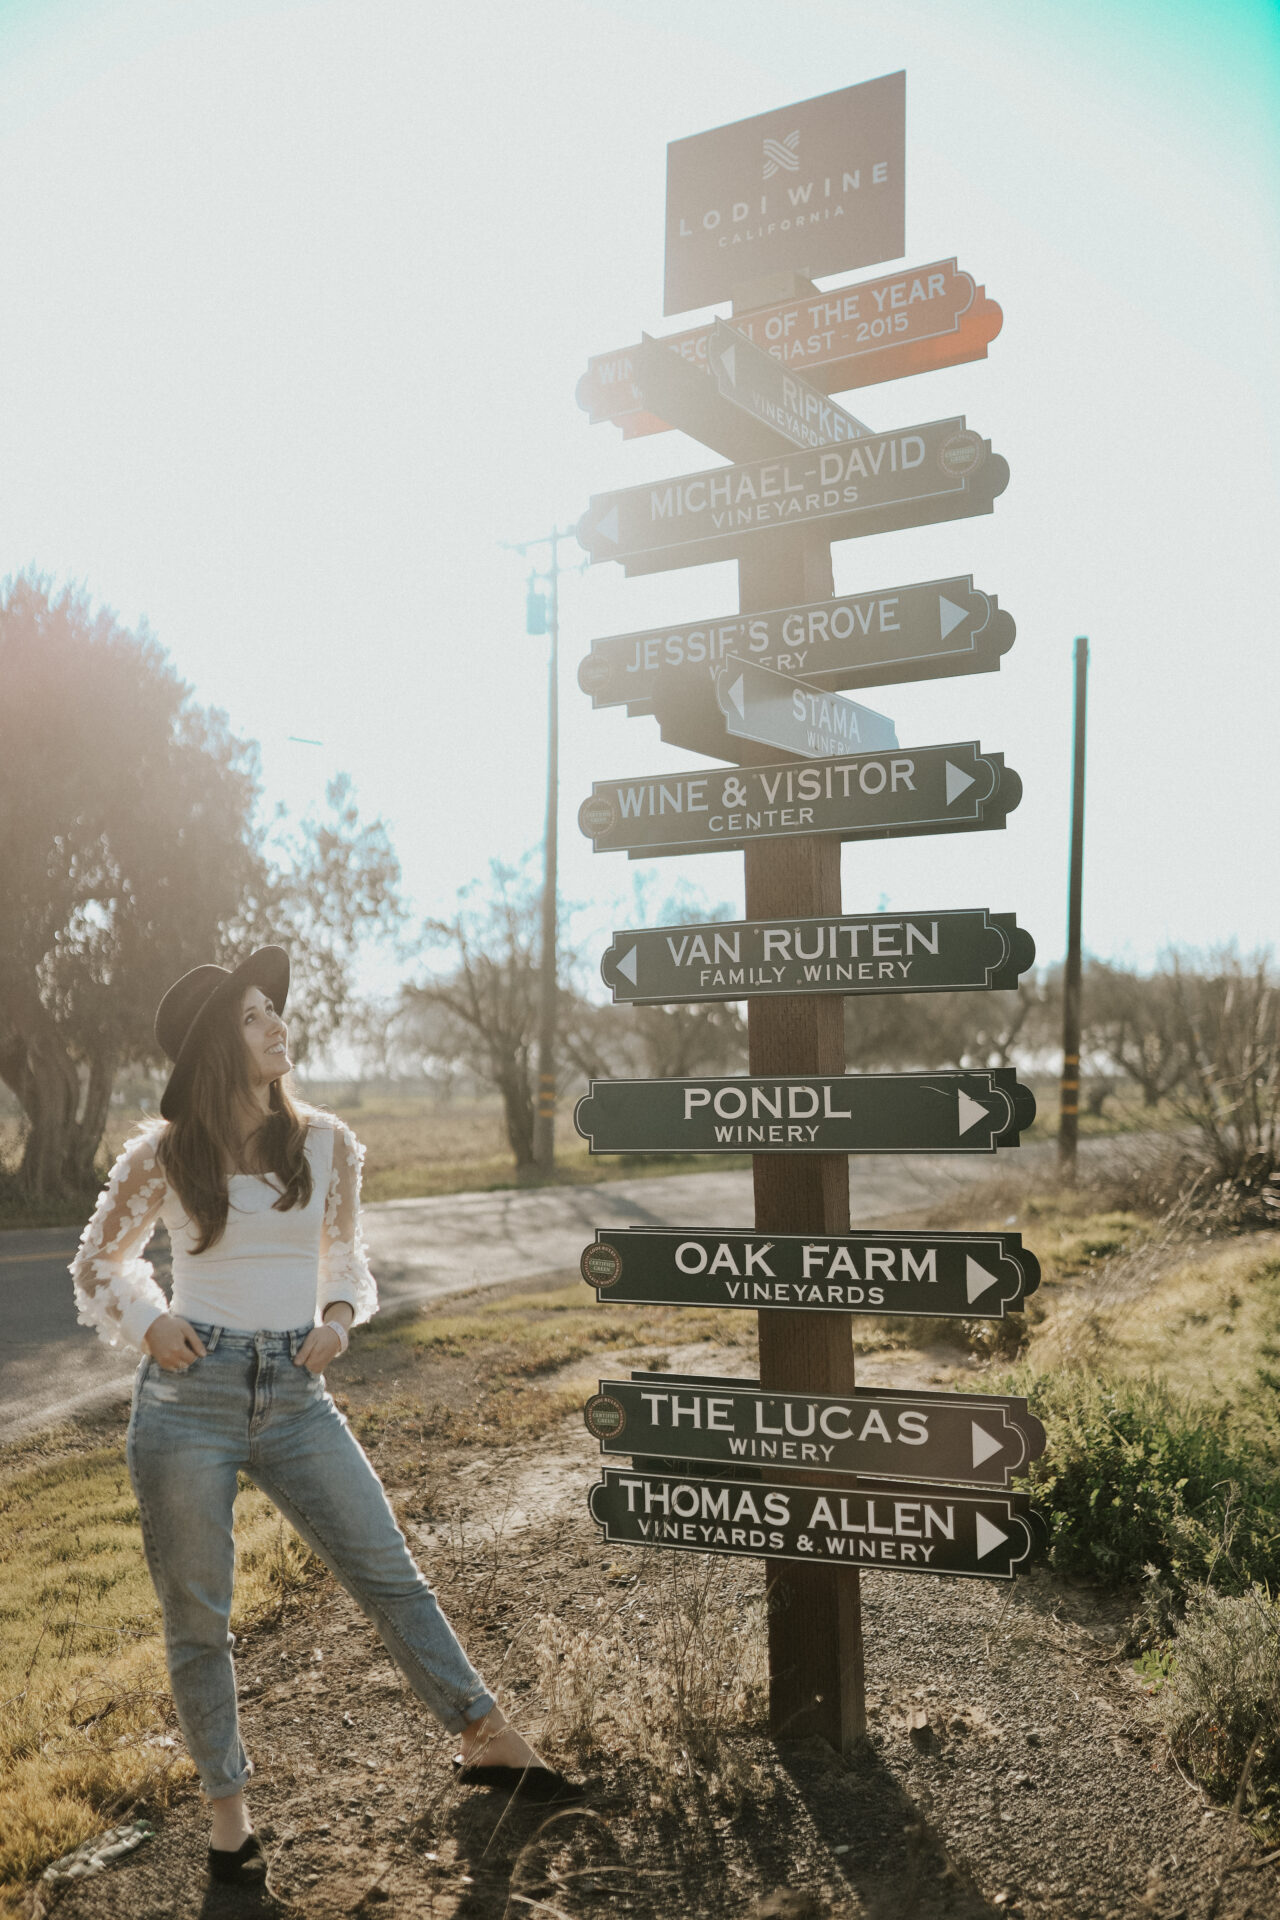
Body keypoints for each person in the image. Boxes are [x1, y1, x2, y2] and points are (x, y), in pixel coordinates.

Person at [71, 947, 580, 1893]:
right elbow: (101, 1263)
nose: (277, 1026)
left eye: (274, 1010)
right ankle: (231, 1822)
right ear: (218, 1050)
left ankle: (486, 1736)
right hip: (192, 1396)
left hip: (296, 1395)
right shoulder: (165, 1153)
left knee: (385, 1566)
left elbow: (346, 1256)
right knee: (199, 1619)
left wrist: (340, 1318)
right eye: (253, 1017)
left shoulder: (327, 1143)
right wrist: (152, 1321)